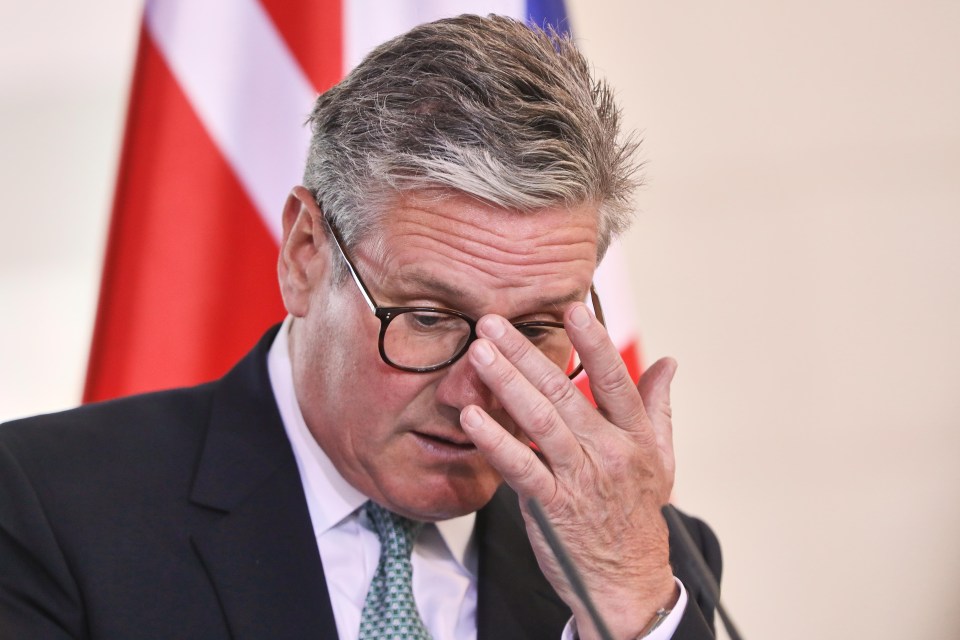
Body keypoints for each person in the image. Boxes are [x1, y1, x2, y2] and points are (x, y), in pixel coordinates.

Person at [0, 14, 721, 640]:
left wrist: (630, 615)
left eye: (534, 331)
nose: (480, 395)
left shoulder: (649, 566)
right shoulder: (47, 509)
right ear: (306, 255)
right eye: (430, 317)